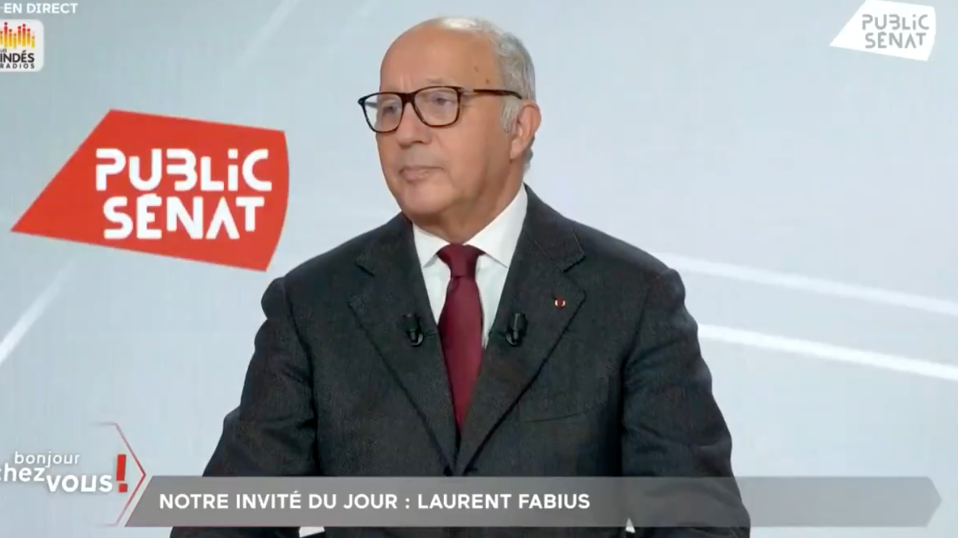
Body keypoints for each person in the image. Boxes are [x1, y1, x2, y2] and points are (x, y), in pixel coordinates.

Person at [171, 16, 748, 538]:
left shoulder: (632, 297)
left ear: (519, 127)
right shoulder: (311, 306)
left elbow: (697, 523)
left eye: (439, 102)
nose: (406, 132)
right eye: (389, 109)